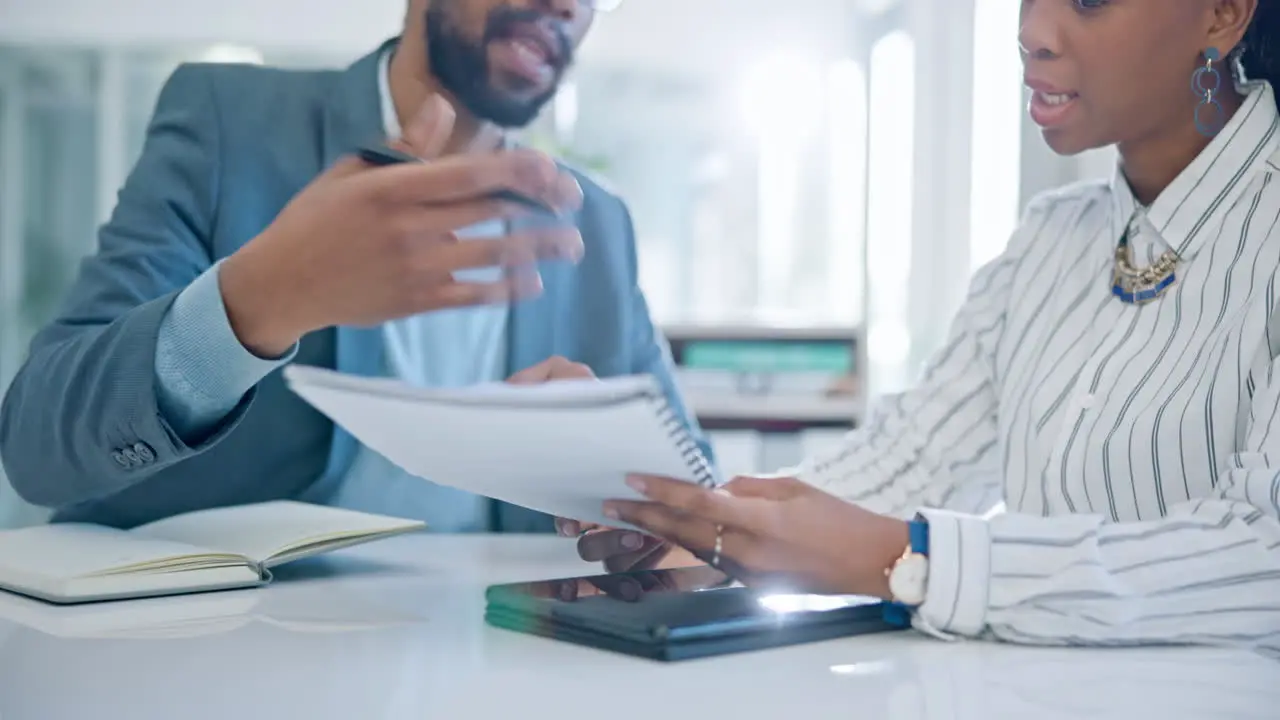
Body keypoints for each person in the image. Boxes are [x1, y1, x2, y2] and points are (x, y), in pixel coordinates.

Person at [566, 0, 1280, 654]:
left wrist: (905, 560)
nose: (1031, 31)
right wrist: (697, 528)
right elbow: (912, 462)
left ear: (1223, 14)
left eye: (1088, 0)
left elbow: (1262, 560)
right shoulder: (1051, 239)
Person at [0, 0, 707, 532]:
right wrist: (256, 302)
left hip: (495, 661)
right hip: (221, 656)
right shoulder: (229, 125)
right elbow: (36, 449)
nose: (568, 3)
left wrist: (615, 475)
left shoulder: (595, 225)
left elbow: (699, 501)